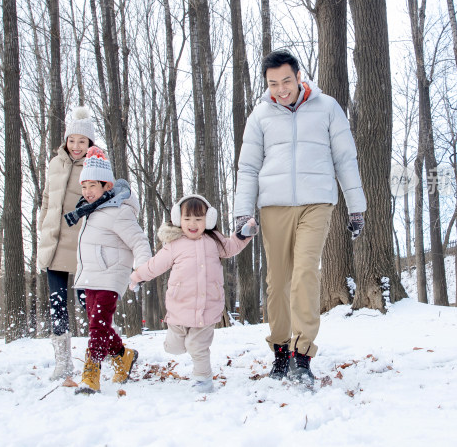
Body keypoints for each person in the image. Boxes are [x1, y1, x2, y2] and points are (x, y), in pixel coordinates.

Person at [233, 50, 367, 388]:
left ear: (299, 76)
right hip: (274, 205)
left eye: (286, 81)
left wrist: (356, 206)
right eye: (273, 83)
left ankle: (302, 353)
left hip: (316, 202)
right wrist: (243, 212)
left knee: (305, 272)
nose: (281, 89)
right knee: (278, 282)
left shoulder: (327, 108)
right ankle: (280, 350)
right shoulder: (260, 115)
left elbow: (345, 158)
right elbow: (248, 167)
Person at [128, 195, 258, 393]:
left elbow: (232, 247)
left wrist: (244, 234)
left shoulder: (214, 241)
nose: (193, 224)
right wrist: (137, 276)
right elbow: (154, 266)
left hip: (208, 308)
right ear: (179, 220)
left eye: (199, 219)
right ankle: (178, 346)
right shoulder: (174, 245)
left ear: (209, 220)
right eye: (187, 219)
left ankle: (203, 382)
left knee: (197, 347)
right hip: (179, 308)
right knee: (174, 348)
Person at [64, 146, 152, 394]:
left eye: (92, 186)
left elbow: (139, 241)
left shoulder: (118, 210)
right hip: (91, 277)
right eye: (84, 187)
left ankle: (91, 374)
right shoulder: (90, 212)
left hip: (111, 276)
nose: (87, 192)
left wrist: (143, 268)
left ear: (106, 186)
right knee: (99, 325)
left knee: (97, 327)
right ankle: (123, 356)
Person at [38, 107, 95, 381]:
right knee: (57, 303)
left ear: (89, 144)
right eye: (72, 140)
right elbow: (47, 198)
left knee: (88, 302)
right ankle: (62, 360)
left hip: (82, 243)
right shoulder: (54, 162)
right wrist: (43, 227)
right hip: (54, 242)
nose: (76, 146)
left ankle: (105, 349)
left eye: (81, 142)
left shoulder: (95, 164)